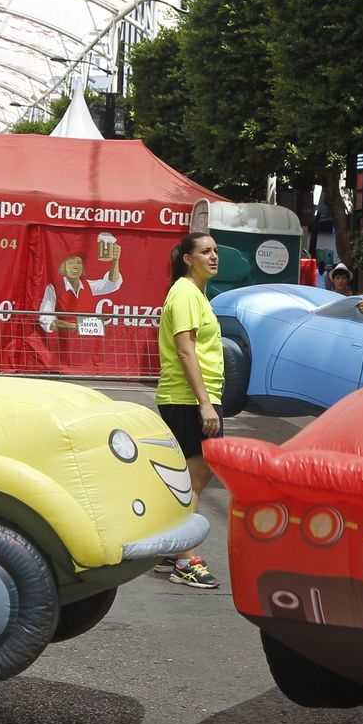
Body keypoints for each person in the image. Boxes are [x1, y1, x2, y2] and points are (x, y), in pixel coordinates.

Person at [153, 231, 222, 589]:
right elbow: (185, 351)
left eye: (215, 251)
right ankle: (185, 558)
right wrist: (205, 402)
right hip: (189, 398)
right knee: (194, 478)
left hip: (192, 397)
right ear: (187, 258)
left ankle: (171, 552)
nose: (213, 256)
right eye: (205, 251)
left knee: (193, 477)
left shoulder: (195, 294)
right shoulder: (184, 294)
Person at [38, 241, 123, 332]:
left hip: (86, 342)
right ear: (64, 267)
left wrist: (115, 261)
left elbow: (111, 284)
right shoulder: (53, 288)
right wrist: (81, 327)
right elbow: (47, 321)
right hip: (62, 343)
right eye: (71, 263)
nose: (75, 267)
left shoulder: (88, 285)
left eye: (78, 263)